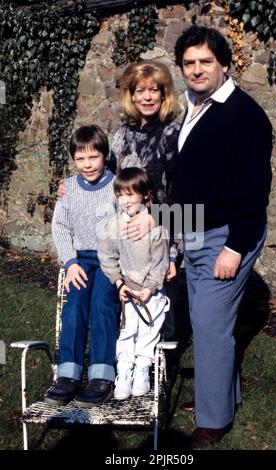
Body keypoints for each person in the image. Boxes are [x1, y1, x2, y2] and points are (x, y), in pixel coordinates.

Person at [171, 26, 272, 447]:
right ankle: (221, 398)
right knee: (205, 319)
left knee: (210, 324)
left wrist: (235, 247)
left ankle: (214, 421)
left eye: (205, 62)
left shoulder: (243, 115)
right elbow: (193, 178)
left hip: (228, 233)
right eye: (189, 63)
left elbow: (254, 189)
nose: (196, 69)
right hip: (194, 225)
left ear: (224, 65)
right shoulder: (196, 106)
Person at [57, 61, 181, 338]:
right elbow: (104, 178)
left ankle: (157, 377)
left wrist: (172, 252)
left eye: (153, 90)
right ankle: (120, 373)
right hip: (127, 240)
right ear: (131, 95)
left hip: (163, 238)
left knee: (159, 313)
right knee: (125, 312)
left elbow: (185, 196)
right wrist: (69, 186)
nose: (146, 97)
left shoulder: (175, 135)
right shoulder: (122, 135)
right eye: (139, 91)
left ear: (164, 94)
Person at [45, 125, 119, 408]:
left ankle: (101, 376)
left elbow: (127, 226)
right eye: (80, 159)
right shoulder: (69, 188)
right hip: (79, 261)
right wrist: (70, 262)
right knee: (73, 308)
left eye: (93, 157)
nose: (87, 165)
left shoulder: (116, 187)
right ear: (73, 160)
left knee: (102, 306)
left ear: (105, 156)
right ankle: (68, 374)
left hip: (109, 261)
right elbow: (60, 227)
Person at [99, 167, 170, 400]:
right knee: (127, 331)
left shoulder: (156, 226)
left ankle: (142, 370)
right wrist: (120, 284)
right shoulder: (114, 225)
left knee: (148, 332)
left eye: (130, 194)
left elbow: (161, 262)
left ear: (145, 195)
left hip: (151, 293)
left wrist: (149, 288)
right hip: (127, 291)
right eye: (120, 195)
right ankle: (124, 372)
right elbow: (107, 257)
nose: (125, 200)